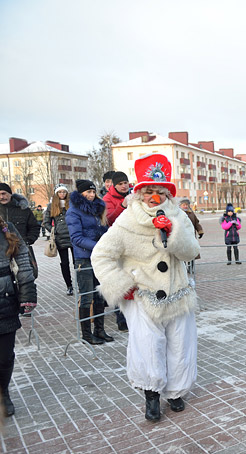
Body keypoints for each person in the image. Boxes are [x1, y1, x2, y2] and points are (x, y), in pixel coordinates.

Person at [92, 153, 200, 422]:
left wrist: (173, 234)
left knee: (180, 345)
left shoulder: (179, 216)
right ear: (139, 194)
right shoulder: (127, 220)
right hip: (142, 295)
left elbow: (191, 252)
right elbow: (101, 255)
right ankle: (151, 395)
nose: (155, 197)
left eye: (160, 192)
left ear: (167, 194)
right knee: (148, 346)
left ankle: (175, 391)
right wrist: (120, 284)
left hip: (178, 293)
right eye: (149, 191)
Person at [66, 180, 112, 345]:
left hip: (99, 258)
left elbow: (102, 229)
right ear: (81, 194)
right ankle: (86, 334)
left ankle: (99, 330)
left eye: (93, 192)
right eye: (88, 193)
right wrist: (99, 247)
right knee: (86, 297)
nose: (92, 195)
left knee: (100, 294)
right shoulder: (74, 212)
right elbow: (76, 238)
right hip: (84, 258)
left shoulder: (97, 209)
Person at [0, 216, 37, 417]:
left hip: (4, 299)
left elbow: (22, 260)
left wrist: (27, 294)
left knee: (4, 357)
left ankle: (3, 391)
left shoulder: (7, 228)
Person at [101, 171, 131, 331]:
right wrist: (123, 206)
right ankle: (121, 318)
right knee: (121, 280)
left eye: (126, 182)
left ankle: (134, 315)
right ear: (114, 185)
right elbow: (109, 218)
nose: (124, 186)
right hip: (118, 243)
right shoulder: (107, 199)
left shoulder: (133, 195)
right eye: (120, 184)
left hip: (133, 241)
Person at [0, 183, 41, 280]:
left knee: (26, 279)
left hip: (21, 252)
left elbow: (34, 227)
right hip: (2, 254)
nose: (1, 197)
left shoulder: (23, 209)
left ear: (10, 194)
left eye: (4, 193)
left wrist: (27, 241)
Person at [42, 184, 74, 295]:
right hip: (60, 238)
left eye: (64, 192)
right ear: (56, 194)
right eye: (60, 192)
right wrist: (54, 231)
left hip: (73, 236)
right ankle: (69, 285)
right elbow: (45, 222)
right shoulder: (52, 206)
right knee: (65, 263)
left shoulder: (71, 204)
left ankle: (81, 283)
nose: (62, 194)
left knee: (77, 262)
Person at [179, 198, 203, 274]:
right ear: (181, 205)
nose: (185, 206)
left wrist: (200, 231)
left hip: (191, 237)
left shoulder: (191, 213)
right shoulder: (178, 214)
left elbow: (197, 223)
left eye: (187, 205)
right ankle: (183, 269)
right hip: (181, 237)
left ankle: (191, 268)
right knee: (183, 254)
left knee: (192, 253)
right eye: (184, 205)